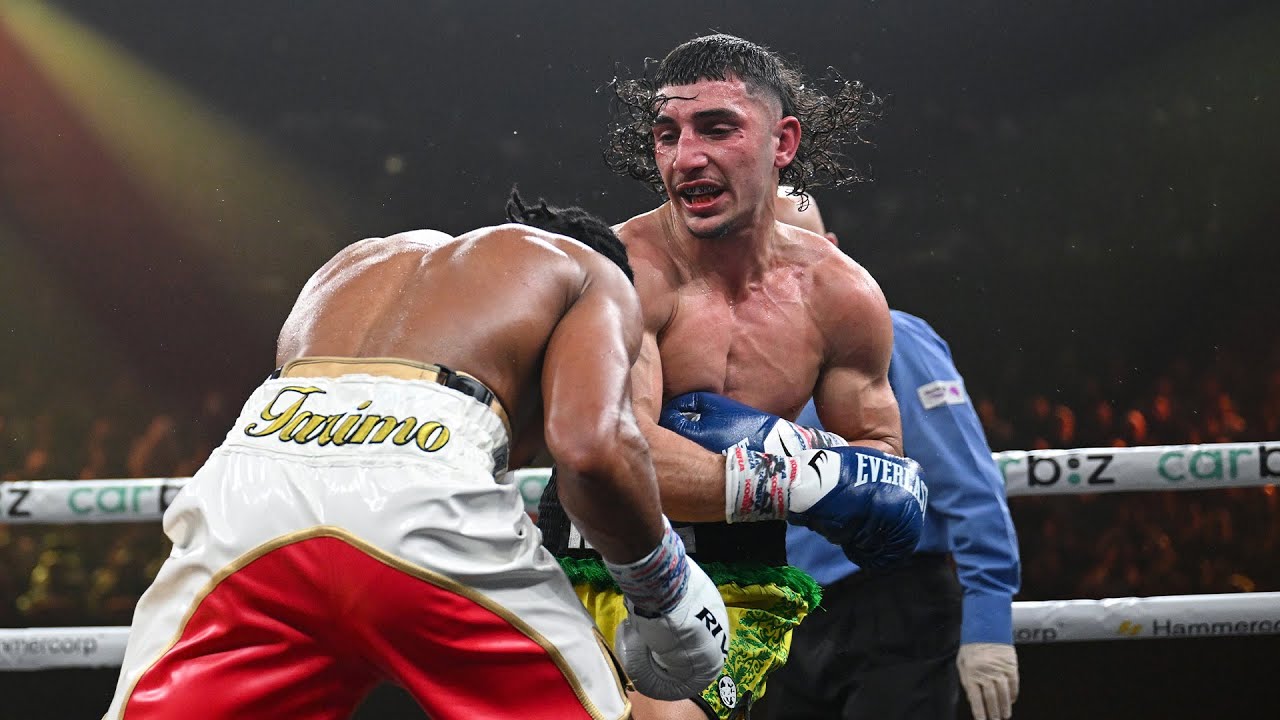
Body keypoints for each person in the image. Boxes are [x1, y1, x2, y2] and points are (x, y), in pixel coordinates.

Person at [102, 189, 730, 720]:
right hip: (422, 495)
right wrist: (663, 589)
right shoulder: (595, 274)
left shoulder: (356, 264)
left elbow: (332, 459)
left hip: (248, 494)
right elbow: (592, 448)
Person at [538, 34, 928, 720]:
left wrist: (854, 482)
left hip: (740, 574)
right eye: (668, 134)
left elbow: (877, 451)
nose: (686, 157)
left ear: (783, 143)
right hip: (597, 552)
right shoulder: (620, 271)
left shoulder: (841, 295)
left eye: (717, 129)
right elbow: (624, 453)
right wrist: (795, 478)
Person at [764, 191, 1022, 720]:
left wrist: (988, 621)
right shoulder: (731, 370)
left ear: (833, 251)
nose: (784, 271)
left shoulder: (894, 338)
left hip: (895, 609)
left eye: (798, 251)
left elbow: (969, 487)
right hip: (784, 618)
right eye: (767, 254)